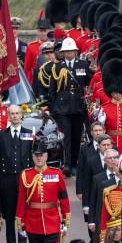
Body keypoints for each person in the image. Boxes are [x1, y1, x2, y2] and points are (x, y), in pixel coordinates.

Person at [16, 141, 70, 243]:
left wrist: (65, 218)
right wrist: (21, 221)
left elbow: (63, 197)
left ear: (46, 156)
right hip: (33, 222)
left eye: (41, 155)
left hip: (52, 220)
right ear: (32, 157)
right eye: (36, 155)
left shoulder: (56, 173)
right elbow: (21, 200)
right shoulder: (26, 175)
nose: (39, 158)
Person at [47, 37, 91, 176]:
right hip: (62, 106)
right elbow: (52, 89)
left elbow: (88, 83)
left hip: (78, 105)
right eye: (66, 51)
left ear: (75, 51)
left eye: (71, 51)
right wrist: (52, 108)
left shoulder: (83, 65)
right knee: (66, 136)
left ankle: (74, 164)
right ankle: (66, 165)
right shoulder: (57, 67)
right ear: (63, 52)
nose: (69, 53)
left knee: (77, 136)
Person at [0, 104, 33, 243]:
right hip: (7, 179)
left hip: (24, 179)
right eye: (12, 114)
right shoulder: (1, 135)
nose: (15, 116)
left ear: (21, 115)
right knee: (9, 214)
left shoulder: (28, 134)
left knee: (23, 213)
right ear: (8, 116)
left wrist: (33, 178)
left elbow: (31, 157)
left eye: (17, 113)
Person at [97, 59, 122, 154]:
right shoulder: (104, 108)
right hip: (109, 144)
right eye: (115, 92)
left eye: (120, 92)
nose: (118, 94)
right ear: (111, 92)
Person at [88, 148, 120, 237]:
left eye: (115, 157)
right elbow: (93, 200)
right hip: (102, 219)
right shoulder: (97, 179)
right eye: (110, 158)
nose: (113, 160)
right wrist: (91, 220)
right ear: (105, 161)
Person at [24, 17, 51, 83]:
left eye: (45, 31)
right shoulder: (31, 47)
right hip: (36, 80)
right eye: (40, 31)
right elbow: (27, 69)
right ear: (37, 32)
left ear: (49, 31)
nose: (43, 34)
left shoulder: (54, 45)